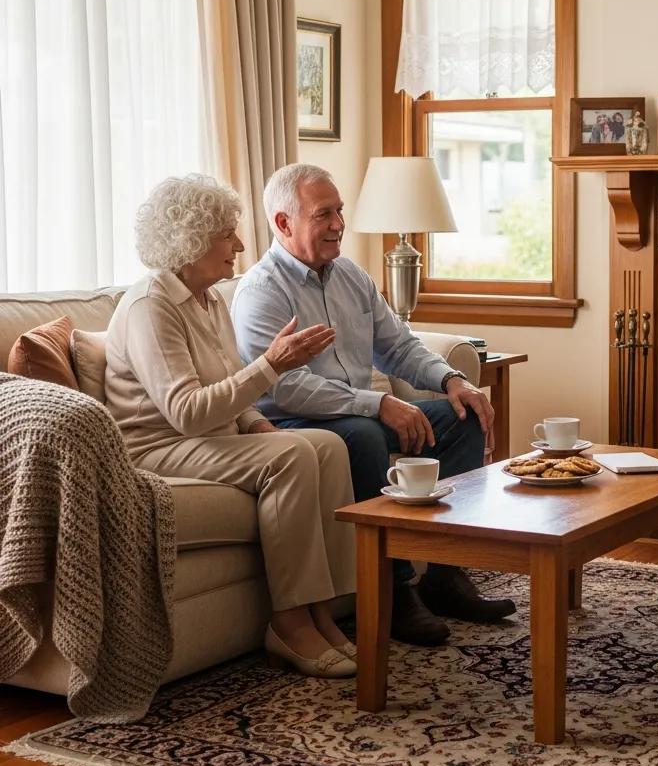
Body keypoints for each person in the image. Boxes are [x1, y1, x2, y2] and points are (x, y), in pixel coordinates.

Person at [231, 164, 516, 647]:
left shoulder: (351, 276)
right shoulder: (262, 291)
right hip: (297, 426)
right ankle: (391, 589)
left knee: (462, 417)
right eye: (325, 214)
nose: (340, 224)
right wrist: (377, 403)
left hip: (361, 409)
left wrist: (452, 379)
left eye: (339, 211)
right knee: (361, 436)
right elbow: (287, 388)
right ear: (284, 223)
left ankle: (445, 574)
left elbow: (399, 347)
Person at [104, 175, 359, 679]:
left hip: (207, 439)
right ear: (191, 240)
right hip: (155, 447)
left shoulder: (210, 298)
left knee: (326, 445)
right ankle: (288, 622)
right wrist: (272, 364)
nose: (240, 244)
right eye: (227, 234)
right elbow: (187, 412)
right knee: (290, 456)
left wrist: (260, 423)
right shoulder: (149, 308)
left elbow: (227, 386)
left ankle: (324, 611)